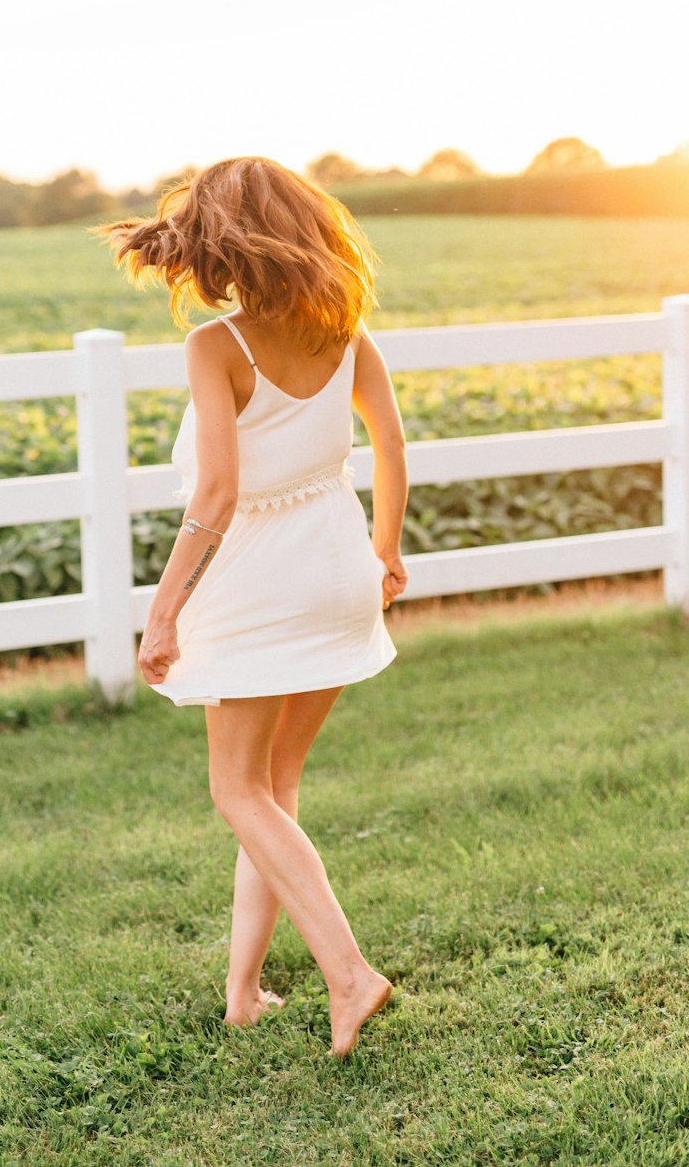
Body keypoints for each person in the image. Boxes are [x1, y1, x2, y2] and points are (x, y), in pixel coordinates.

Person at [95, 156, 409, 1056]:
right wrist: (385, 548)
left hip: (261, 580)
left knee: (238, 789)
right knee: (273, 791)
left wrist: (163, 611)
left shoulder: (216, 347)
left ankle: (349, 976)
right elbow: (388, 442)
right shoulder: (346, 329)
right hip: (339, 570)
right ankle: (243, 994)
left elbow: (218, 494)